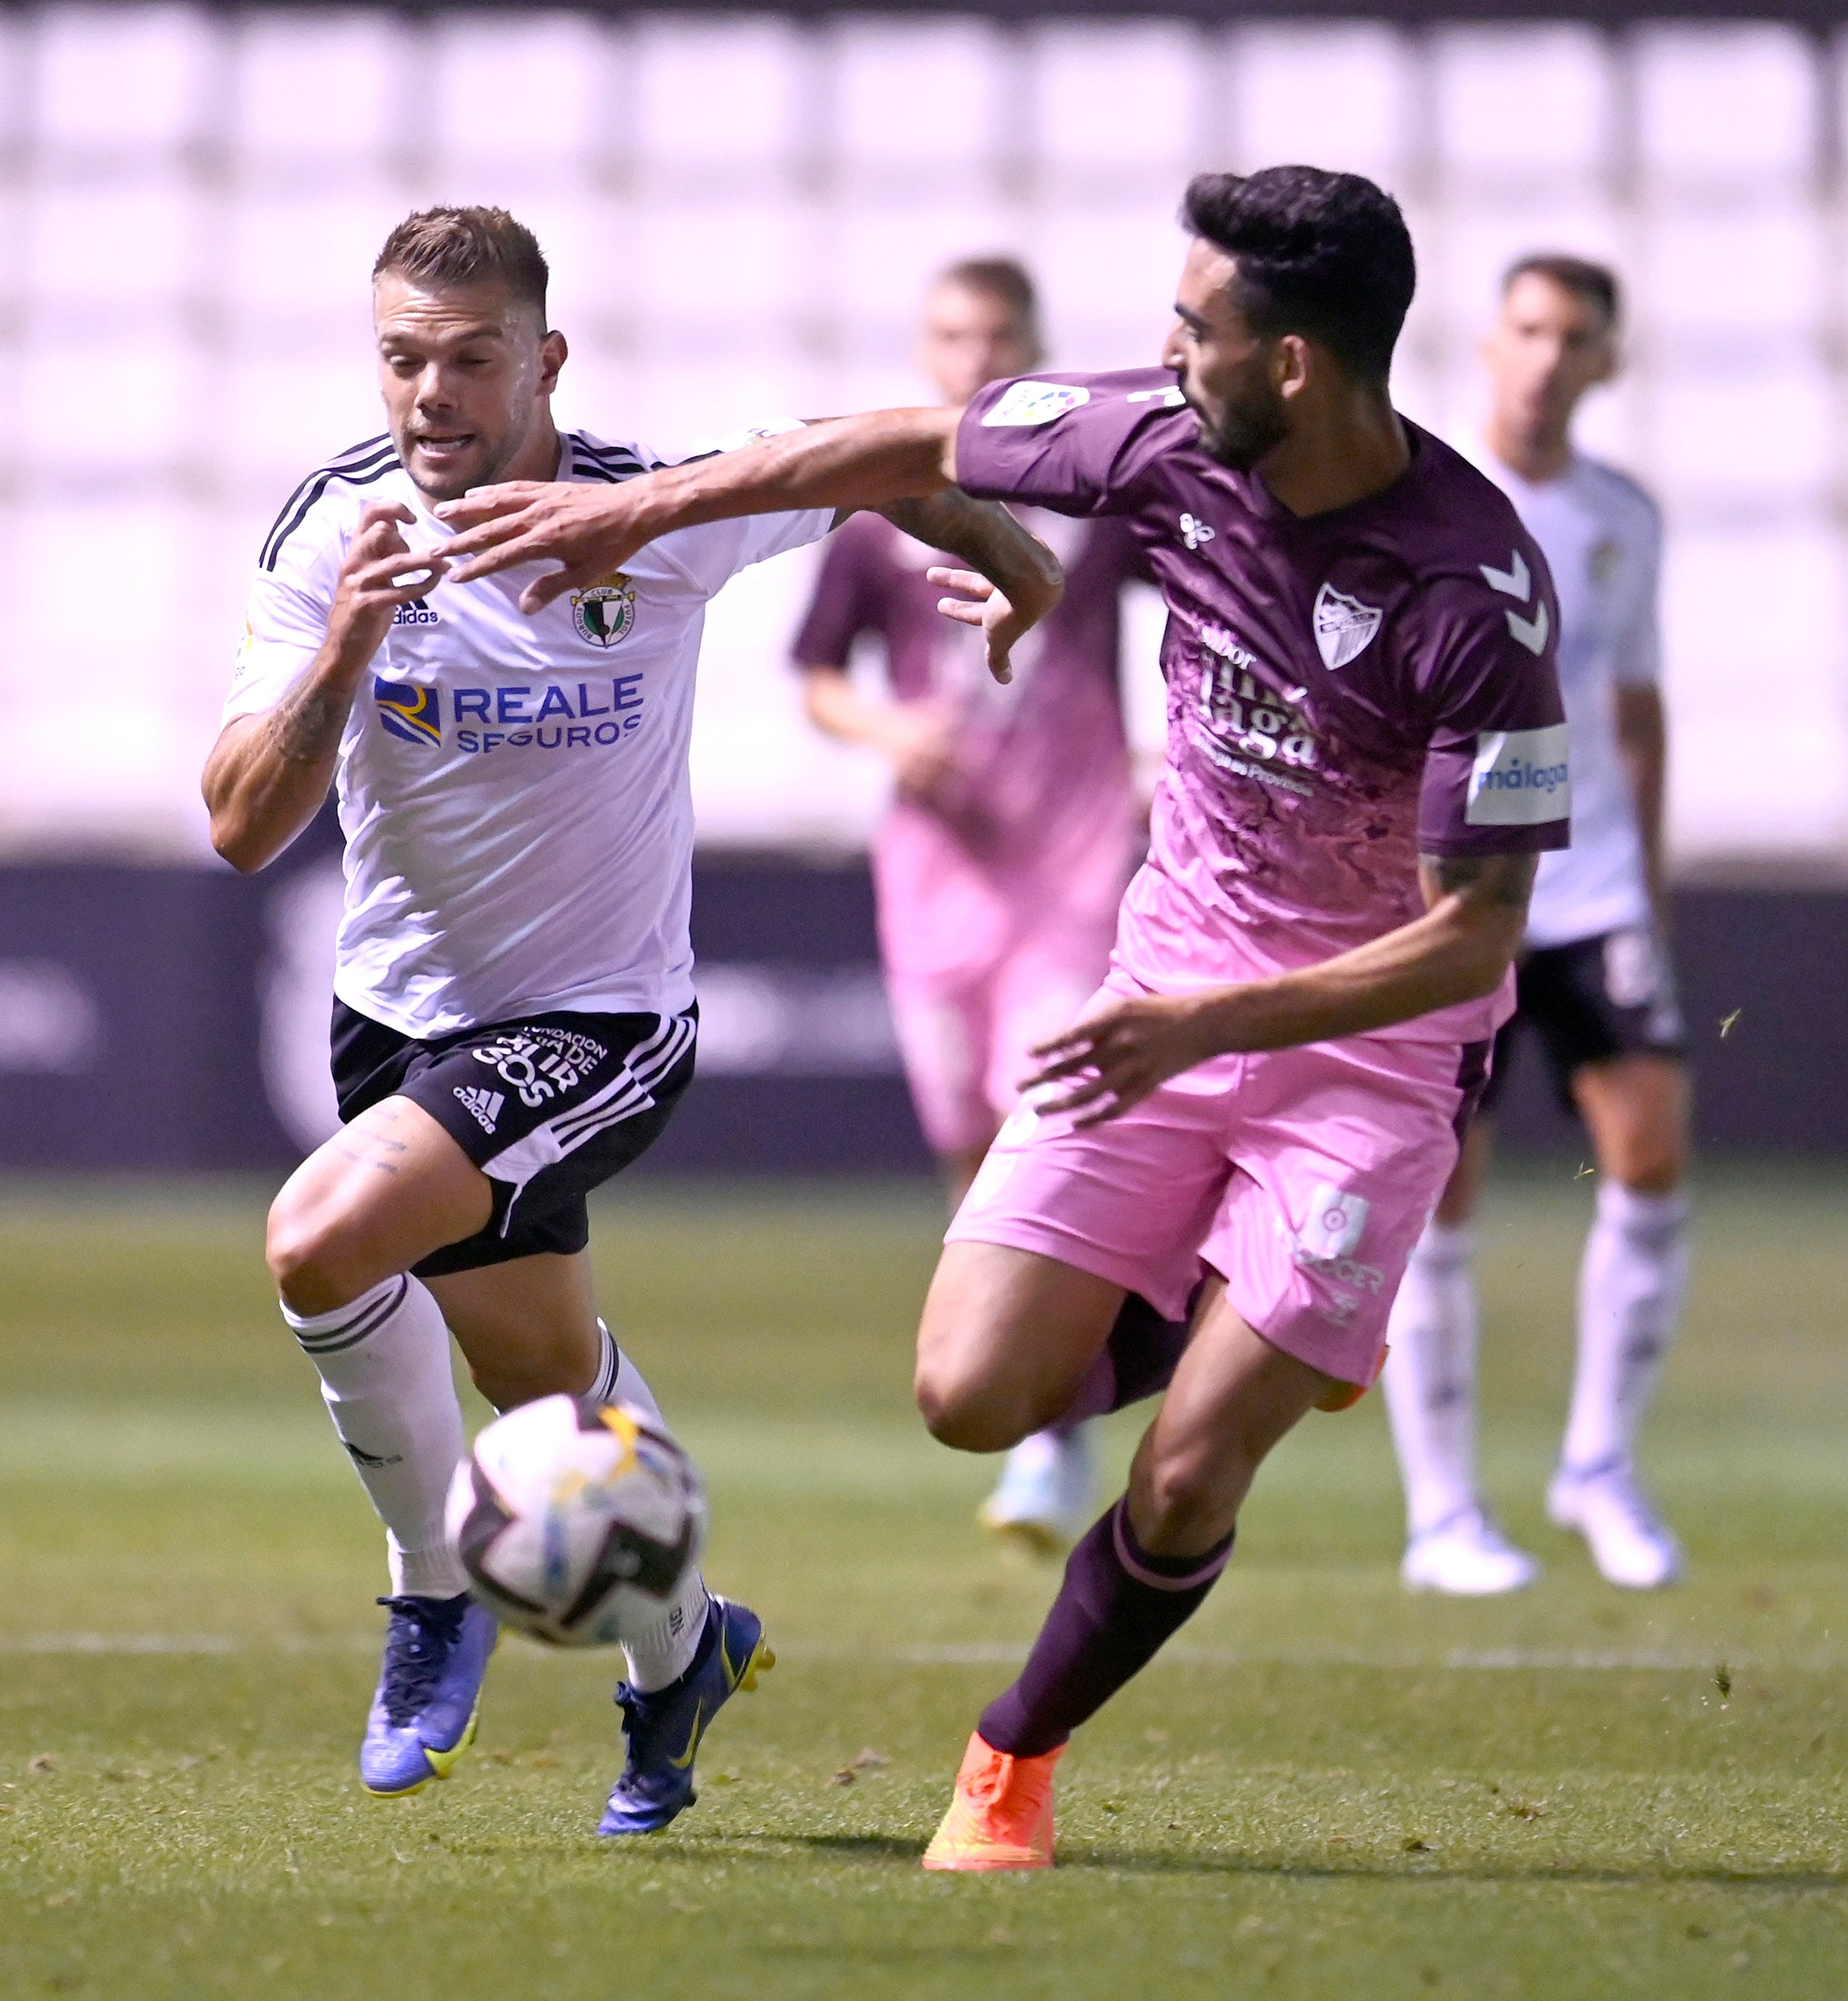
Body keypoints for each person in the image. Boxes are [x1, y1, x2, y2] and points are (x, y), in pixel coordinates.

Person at [433, 163, 1572, 1872]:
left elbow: (1472, 936)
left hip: (1366, 1049)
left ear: (1293, 368)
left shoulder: (1477, 599)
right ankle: (1254, 1312)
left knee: (1188, 1481)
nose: (1160, 352)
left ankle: (1009, 1758)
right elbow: (895, 443)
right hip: (1161, 992)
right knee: (968, 1395)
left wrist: (1213, 1024)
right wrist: (638, 511)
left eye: (1194, 332)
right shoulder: (1159, 441)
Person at [200, 204, 1058, 1832]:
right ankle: (682, 1656)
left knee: (320, 1238)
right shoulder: (335, 534)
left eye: (469, 359)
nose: (432, 394)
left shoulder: (651, 514)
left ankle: (430, 1594)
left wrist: (1018, 568)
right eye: (403, 358)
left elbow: (859, 459)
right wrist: (350, 646)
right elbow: (243, 825)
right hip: (399, 1025)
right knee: (550, 1401)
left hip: (604, 1026)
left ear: (546, 360)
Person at [792, 256, 1148, 1553]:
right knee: (965, 1138)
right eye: (951, 332)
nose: (972, 352)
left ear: (1039, 345)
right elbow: (818, 674)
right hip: (936, 872)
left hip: (1069, 858)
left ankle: (1055, 1439)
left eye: (998, 332)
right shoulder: (890, 500)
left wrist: (1168, 752)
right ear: (921, 345)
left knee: (1038, 1122)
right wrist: (891, 735)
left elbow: (1202, 618)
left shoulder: (1097, 494)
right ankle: (1013, 1380)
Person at [1380, 255, 1687, 1595]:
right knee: (1442, 1189)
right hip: (1461, 889)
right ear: (1487, 341)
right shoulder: (1432, 497)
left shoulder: (1623, 514)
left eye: (1574, 336)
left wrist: (1651, 878)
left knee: (1650, 1149)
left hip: (1596, 887)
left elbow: (1632, 703)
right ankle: (1441, 1508)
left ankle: (1596, 1465)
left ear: (1604, 361)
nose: (1547, 356)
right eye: (1527, 329)